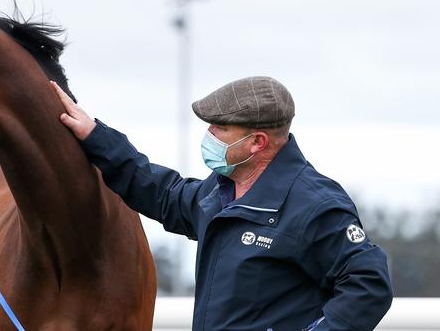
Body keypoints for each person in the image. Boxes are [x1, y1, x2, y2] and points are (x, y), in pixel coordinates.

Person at [50, 76, 393, 331]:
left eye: (219, 129)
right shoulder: (220, 191)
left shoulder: (315, 204)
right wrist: (96, 136)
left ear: (257, 142)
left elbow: (368, 283)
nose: (208, 137)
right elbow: (162, 193)